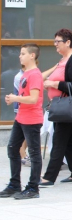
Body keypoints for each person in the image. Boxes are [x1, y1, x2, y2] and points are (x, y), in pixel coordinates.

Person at [39, 29, 72, 187]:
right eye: (54, 42)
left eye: (58, 42)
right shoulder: (63, 60)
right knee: (68, 142)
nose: (55, 45)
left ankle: (49, 177)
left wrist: (53, 84)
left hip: (67, 107)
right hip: (60, 107)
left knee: (59, 142)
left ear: (68, 42)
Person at [0, 44, 43, 199]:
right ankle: (14, 184)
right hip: (21, 117)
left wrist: (15, 98)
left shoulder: (35, 75)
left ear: (32, 55)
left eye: (23, 53)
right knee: (12, 148)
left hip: (32, 118)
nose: (20, 56)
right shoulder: (25, 74)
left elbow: (33, 98)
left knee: (34, 153)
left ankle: (33, 188)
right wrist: (14, 99)